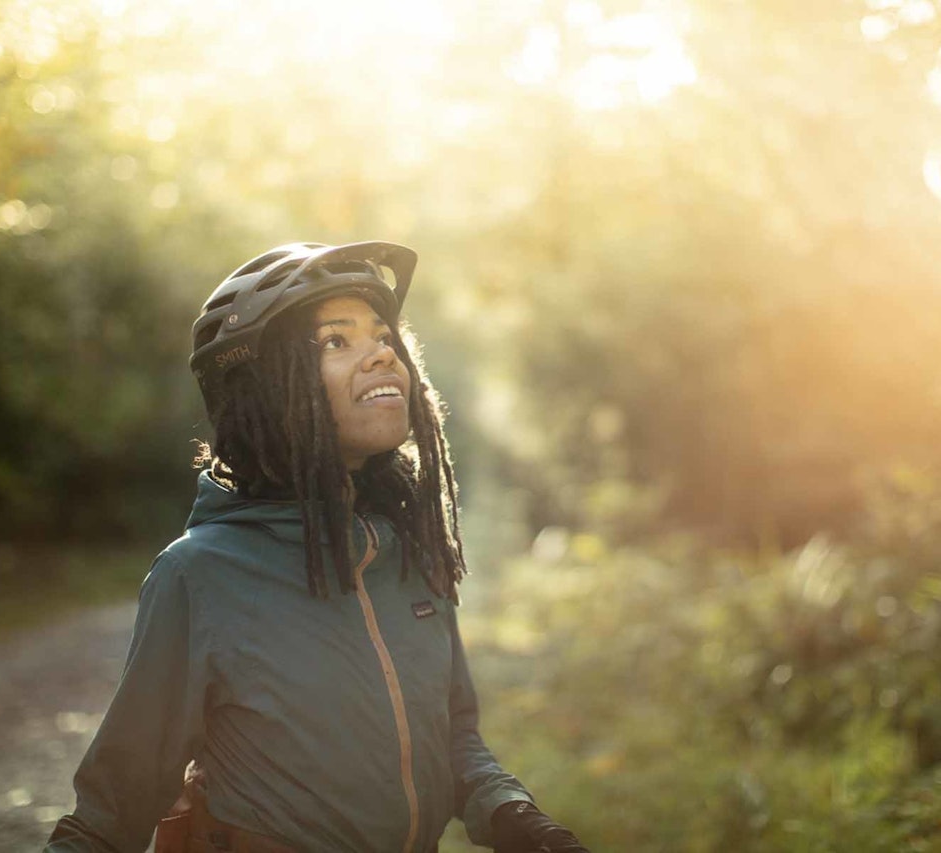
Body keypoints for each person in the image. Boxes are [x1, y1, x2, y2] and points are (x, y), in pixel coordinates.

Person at [44, 241, 589, 853]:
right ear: (267, 389)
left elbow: (454, 736)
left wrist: (513, 813)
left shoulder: (408, 550)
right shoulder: (199, 574)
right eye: (335, 341)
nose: (383, 352)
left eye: (383, 335)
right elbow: (110, 813)